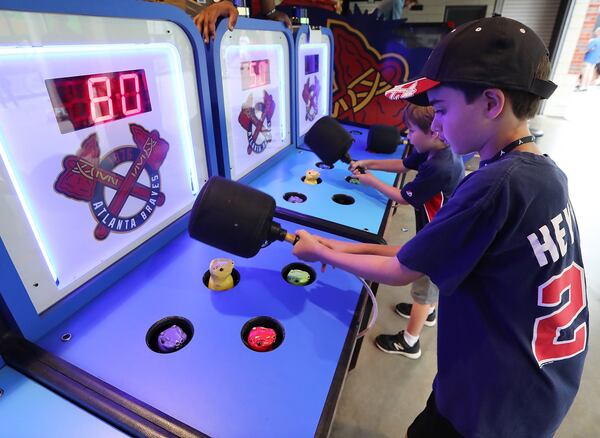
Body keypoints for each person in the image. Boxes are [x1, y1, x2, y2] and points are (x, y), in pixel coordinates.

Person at [292, 16, 588, 437]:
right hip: (537, 392)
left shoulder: (492, 187)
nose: (438, 126)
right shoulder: (543, 174)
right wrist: (334, 246)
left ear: (491, 103)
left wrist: (321, 253)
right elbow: (417, 254)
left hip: (484, 408)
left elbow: (401, 270)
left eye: (444, 110)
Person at [349, 105, 464, 359]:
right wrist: (369, 163)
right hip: (437, 228)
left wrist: (370, 181)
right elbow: (402, 164)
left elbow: (403, 197)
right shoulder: (434, 150)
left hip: (440, 238)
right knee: (429, 286)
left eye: (412, 131)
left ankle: (410, 341)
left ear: (434, 132)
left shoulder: (440, 166)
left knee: (423, 287)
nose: (407, 135)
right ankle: (429, 312)